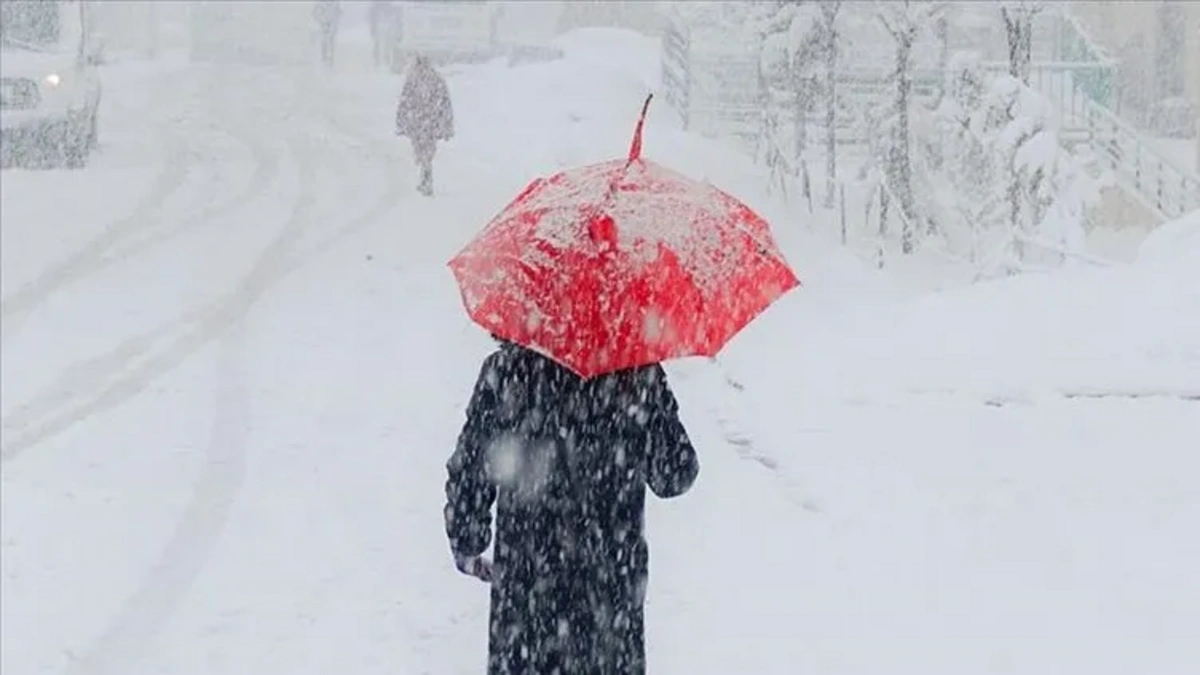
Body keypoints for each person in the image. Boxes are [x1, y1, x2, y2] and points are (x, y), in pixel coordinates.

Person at [444, 338, 700, 674]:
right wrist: (651, 397)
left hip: (527, 584)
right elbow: (674, 476)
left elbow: (470, 467)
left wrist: (468, 540)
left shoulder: (508, 371)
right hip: (609, 587)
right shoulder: (635, 376)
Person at [395, 55, 453, 196]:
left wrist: (402, 122)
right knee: (428, 148)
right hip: (430, 121)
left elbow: (405, 103)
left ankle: (425, 171)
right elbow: (445, 104)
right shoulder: (437, 79)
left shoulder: (413, 80)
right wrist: (446, 124)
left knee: (420, 148)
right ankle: (426, 170)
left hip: (418, 122)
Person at [313, 0, 341, 67]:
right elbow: (315, 13)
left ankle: (331, 57)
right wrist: (322, 22)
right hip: (324, 25)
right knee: (324, 40)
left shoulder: (336, 3)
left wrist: (335, 22)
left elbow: (338, 13)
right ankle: (324, 57)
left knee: (331, 40)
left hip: (332, 25)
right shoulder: (321, 3)